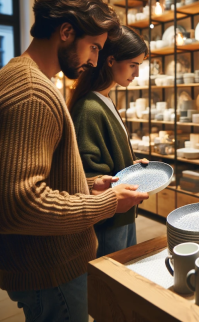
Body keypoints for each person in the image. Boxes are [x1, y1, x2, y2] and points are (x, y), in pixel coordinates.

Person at [0, 0, 148, 322]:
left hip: (47, 267)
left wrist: (89, 186)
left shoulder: (21, 78)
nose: (95, 60)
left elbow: (30, 183)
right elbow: (16, 206)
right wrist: (108, 202)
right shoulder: (32, 92)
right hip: (51, 272)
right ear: (67, 31)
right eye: (93, 47)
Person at [68, 26, 148, 258]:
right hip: (107, 220)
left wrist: (132, 163)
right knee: (111, 287)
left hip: (120, 215)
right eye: (133, 65)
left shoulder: (104, 100)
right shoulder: (89, 108)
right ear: (111, 61)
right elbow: (88, 175)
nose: (136, 74)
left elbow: (107, 156)